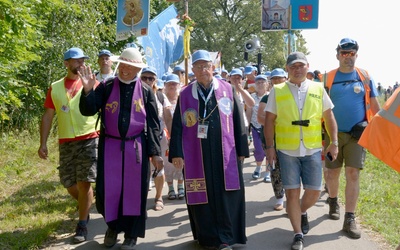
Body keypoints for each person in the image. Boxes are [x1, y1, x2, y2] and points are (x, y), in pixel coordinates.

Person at [78, 47, 163, 249]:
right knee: (110, 190)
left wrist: (156, 153)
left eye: (130, 66)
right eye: (122, 65)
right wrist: (88, 90)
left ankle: (131, 234)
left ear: (137, 69)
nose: (125, 70)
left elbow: (153, 124)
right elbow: (87, 110)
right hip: (110, 147)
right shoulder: (106, 86)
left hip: (136, 149)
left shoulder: (145, 91)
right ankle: (112, 228)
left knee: (134, 192)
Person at [169, 50, 249, 250]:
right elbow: (178, 126)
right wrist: (177, 153)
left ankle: (227, 236)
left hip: (225, 152)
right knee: (201, 192)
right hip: (197, 152)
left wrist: (242, 149)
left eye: (206, 66)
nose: (203, 70)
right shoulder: (185, 94)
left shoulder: (228, 89)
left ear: (213, 68)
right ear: (193, 70)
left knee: (226, 193)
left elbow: (238, 119)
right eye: (198, 66)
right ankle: (208, 236)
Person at [264, 52, 338, 250]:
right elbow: (269, 120)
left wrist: (334, 142)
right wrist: (269, 147)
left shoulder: (318, 88)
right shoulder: (277, 90)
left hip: (312, 149)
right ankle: (298, 234)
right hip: (287, 151)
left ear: (307, 66)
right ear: (287, 69)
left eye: (301, 66)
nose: (297, 70)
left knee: (314, 191)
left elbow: (329, 116)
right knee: (292, 193)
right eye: (293, 66)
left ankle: (300, 211)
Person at [38, 47, 98, 244]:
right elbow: (48, 116)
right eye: (76, 60)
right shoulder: (55, 88)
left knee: (84, 181)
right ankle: (86, 206)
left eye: (83, 60)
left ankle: (82, 224)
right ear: (66, 63)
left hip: (89, 137)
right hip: (66, 141)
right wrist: (43, 143)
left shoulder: (92, 82)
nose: (80, 64)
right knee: (68, 182)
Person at [324, 38, 380, 239]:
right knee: (332, 175)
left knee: (353, 174)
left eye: (352, 53)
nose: (348, 57)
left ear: (357, 54)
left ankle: (349, 218)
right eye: (344, 53)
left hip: (358, 134)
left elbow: (375, 106)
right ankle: (332, 199)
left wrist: (380, 129)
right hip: (332, 136)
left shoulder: (364, 76)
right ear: (338, 54)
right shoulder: (327, 78)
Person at [140, 66, 171, 211]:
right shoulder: (135, 93)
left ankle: (158, 197)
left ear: (155, 80)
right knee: (140, 170)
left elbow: (168, 118)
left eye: (151, 78)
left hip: (158, 138)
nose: (147, 81)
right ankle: (138, 200)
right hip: (138, 138)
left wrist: (172, 137)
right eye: (144, 77)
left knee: (159, 167)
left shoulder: (160, 96)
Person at [257, 68, 287, 211]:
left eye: (279, 78)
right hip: (270, 140)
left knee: (289, 169)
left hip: (289, 140)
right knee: (275, 169)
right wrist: (278, 123)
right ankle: (279, 198)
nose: (276, 81)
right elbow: (260, 118)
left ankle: (291, 198)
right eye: (273, 79)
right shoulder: (266, 98)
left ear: (285, 79)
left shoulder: (291, 96)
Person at [162, 74, 185, 201]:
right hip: (165, 138)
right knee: (168, 163)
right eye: (169, 83)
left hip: (181, 138)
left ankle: (181, 186)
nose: (172, 86)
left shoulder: (183, 100)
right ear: (165, 86)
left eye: (175, 83)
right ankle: (171, 188)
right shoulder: (162, 100)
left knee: (182, 161)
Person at [247, 74, 271, 182]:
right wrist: (247, 129)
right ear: (255, 85)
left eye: (263, 82)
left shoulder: (271, 96)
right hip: (255, 127)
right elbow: (249, 112)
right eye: (258, 82)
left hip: (268, 127)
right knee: (259, 150)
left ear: (267, 84)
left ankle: (268, 172)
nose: (260, 84)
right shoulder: (251, 97)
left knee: (269, 150)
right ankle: (258, 167)